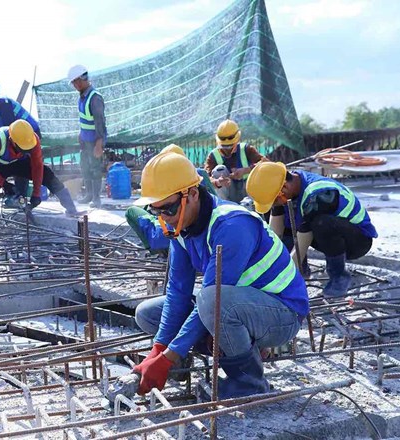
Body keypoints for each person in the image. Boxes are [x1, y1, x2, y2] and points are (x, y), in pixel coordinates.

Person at [130, 152, 309, 398]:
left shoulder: (232, 225)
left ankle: (249, 383)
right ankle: (224, 350)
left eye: (168, 209)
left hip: (282, 314)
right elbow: (178, 293)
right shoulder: (180, 227)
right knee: (148, 314)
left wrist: (167, 356)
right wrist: (158, 350)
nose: (164, 218)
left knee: (211, 300)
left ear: (192, 194)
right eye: (155, 210)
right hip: (239, 307)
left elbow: (213, 299)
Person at [246, 162, 378, 297]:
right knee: (286, 214)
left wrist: (283, 275)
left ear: (284, 188)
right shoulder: (289, 187)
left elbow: (303, 241)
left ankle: (339, 277)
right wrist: (269, 264)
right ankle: (301, 272)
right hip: (323, 236)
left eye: (274, 201)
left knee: (321, 223)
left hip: (356, 241)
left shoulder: (319, 194)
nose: (275, 204)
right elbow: (276, 233)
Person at [0, 120, 80, 231]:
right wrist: (3, 183)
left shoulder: (33, 140)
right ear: (11, 141)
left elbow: (37, 167)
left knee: (47, 174)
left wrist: (36, 194)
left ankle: (71, 208)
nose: (25, 151)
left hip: (20, 163)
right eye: (22, 149)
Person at [68, 64, 106, 208]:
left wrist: (99, 143)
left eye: (75, 82)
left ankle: (96, 198)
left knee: (95, 168)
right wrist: (81, 134)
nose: (74, 85)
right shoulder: (82, 97)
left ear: (81, 79)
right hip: (86, 140)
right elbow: (85, 118)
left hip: (95, 140)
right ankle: (89, 194)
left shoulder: (94, 98)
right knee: (85, 166)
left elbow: (100, 122)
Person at [204, 119, 264, 203]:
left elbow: (266, 164)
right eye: (224, 146)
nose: (228, 149)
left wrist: (246, 170)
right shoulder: (213, 156)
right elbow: (205, 180)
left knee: (259, 173)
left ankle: (254, 207)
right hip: (227, 195)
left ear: (237, 140)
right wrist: (217, 182)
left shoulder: (246, 149)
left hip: (248, 191)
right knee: (219, 169)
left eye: (230, 145)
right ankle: (224, 208)